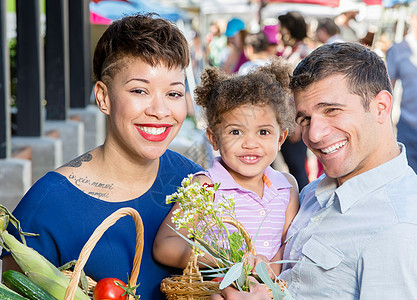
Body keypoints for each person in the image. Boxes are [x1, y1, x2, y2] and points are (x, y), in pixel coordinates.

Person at [1, 13, 203, 299]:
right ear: (103, 97)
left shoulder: (193, 183)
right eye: (139, 90)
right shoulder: (47, 206)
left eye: (173, 94)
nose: (160, 111)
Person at [211, 42, 417, 299]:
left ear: (381, 108)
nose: (315, 134)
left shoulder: (400, 227)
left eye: (332, 110)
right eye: (305, 119)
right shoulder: (313, 192)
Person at [153, 57, 300, 277]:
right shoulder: (205, 186)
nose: (250, 143)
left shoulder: (287, 186)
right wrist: (229, 257)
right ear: (213, 138)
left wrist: (270, 271)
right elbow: (164, 246)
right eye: (235, 132)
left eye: (263, 132)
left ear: (281, 138)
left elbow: (290, 243)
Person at [276, 11, 311, 190]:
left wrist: (297, 123)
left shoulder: (304, 54)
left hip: (294, 122)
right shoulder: (291, 51)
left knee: (297, 168)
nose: (279, 33)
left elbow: (302, 91)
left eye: (282, 29)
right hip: (287, 120)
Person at [386, 2, 417, 173]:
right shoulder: (399, 50)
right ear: (413, 19)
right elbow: (386, 88)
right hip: (409, 126)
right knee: (410, 178)